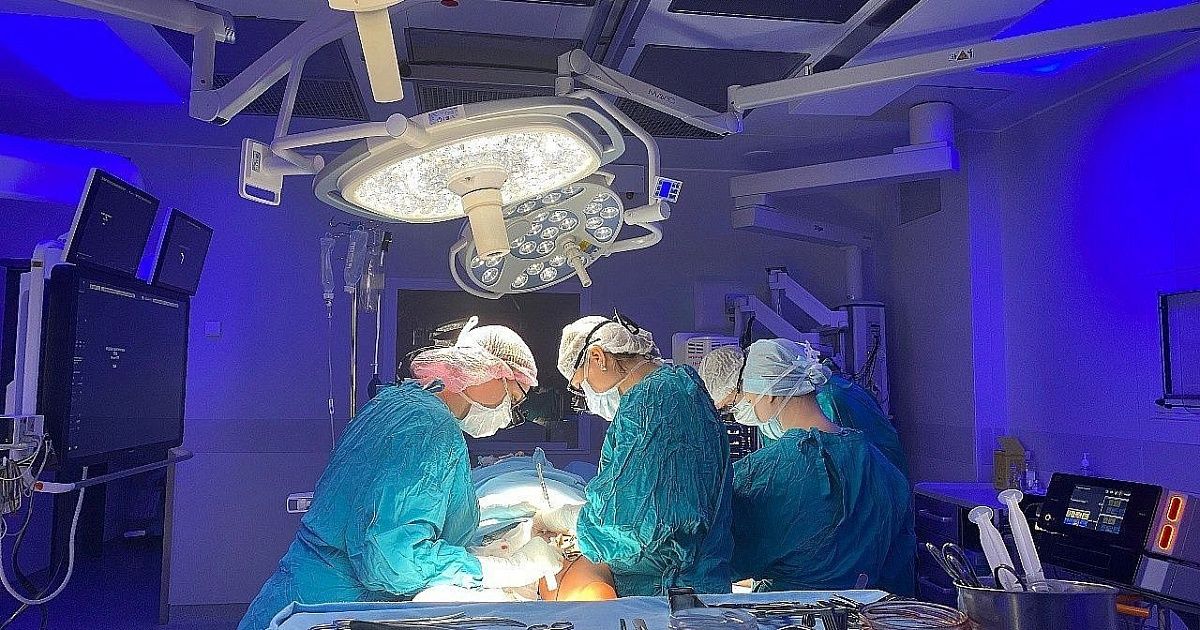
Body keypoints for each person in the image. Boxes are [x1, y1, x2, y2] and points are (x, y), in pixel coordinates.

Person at [238, 320, 562, 630]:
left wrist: (497, 531)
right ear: (487, 372)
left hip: (293, 595)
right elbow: (390, 560)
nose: (509, 414)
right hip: (333, 609)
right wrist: (505, 569)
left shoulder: (394, 402)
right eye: (513, 398)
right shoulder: (430, 428)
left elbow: (381, 516)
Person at [534, 313, 733, 596]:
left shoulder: (650, 404)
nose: (587, 395)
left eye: (582, 383)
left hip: (667, 593)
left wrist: (564, 520)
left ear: (597, 357)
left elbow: (627, 522)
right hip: (700, 581)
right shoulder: (683, 387)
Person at [724, 339, 915, 595]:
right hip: (863, 609)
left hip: (788, 611)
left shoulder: (766, 473)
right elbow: (896, 559)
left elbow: (724, 558)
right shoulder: (881, 465)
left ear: (768, 395)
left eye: (748, 397)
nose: (748, 406)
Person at [699, 344, 909, 478]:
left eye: (731, 405)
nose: (736, 414)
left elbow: (864, 476)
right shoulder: (772, 420)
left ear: (765, 389)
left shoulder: (833, 402)